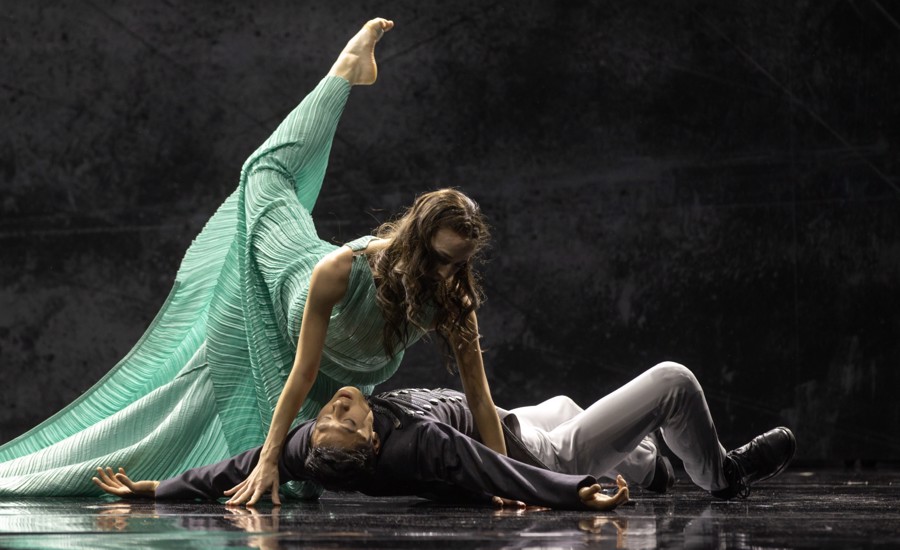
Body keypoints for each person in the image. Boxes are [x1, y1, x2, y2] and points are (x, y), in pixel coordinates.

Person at [0, 18, 508, 503]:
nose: (445, 272)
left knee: (302, 479)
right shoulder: (340, 271)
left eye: (457, 263)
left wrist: (506, 482)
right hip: (291, 287)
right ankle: (344, 71)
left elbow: (479, 398)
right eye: (438, 258)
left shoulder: (452, 299)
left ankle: (159, 474)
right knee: (264, 173)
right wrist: (266, 457)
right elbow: (303, 373)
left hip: (345, 374)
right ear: (414, 242)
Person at [92, 362, 796, 509]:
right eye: (345, 418)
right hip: (535, 453)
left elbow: (242, 464)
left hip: (520, 415)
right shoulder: (416, 444)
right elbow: (495, 473)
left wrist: (155, 488)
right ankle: (722, 475)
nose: (337, 406)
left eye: (330, 413)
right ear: (373, 443)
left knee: (566, 403)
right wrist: (573, 490)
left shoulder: (311, 444)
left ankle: (658, 471)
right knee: (672, 381)